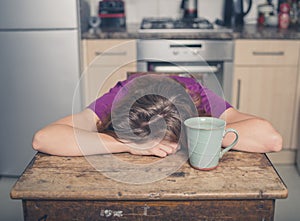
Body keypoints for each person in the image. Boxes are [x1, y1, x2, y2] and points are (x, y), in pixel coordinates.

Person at [32, 73, 283, 157]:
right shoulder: (116, 99)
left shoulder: (199, 97)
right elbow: (44, 138)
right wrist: (127, 146)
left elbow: (271, 140)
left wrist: (193, 134)